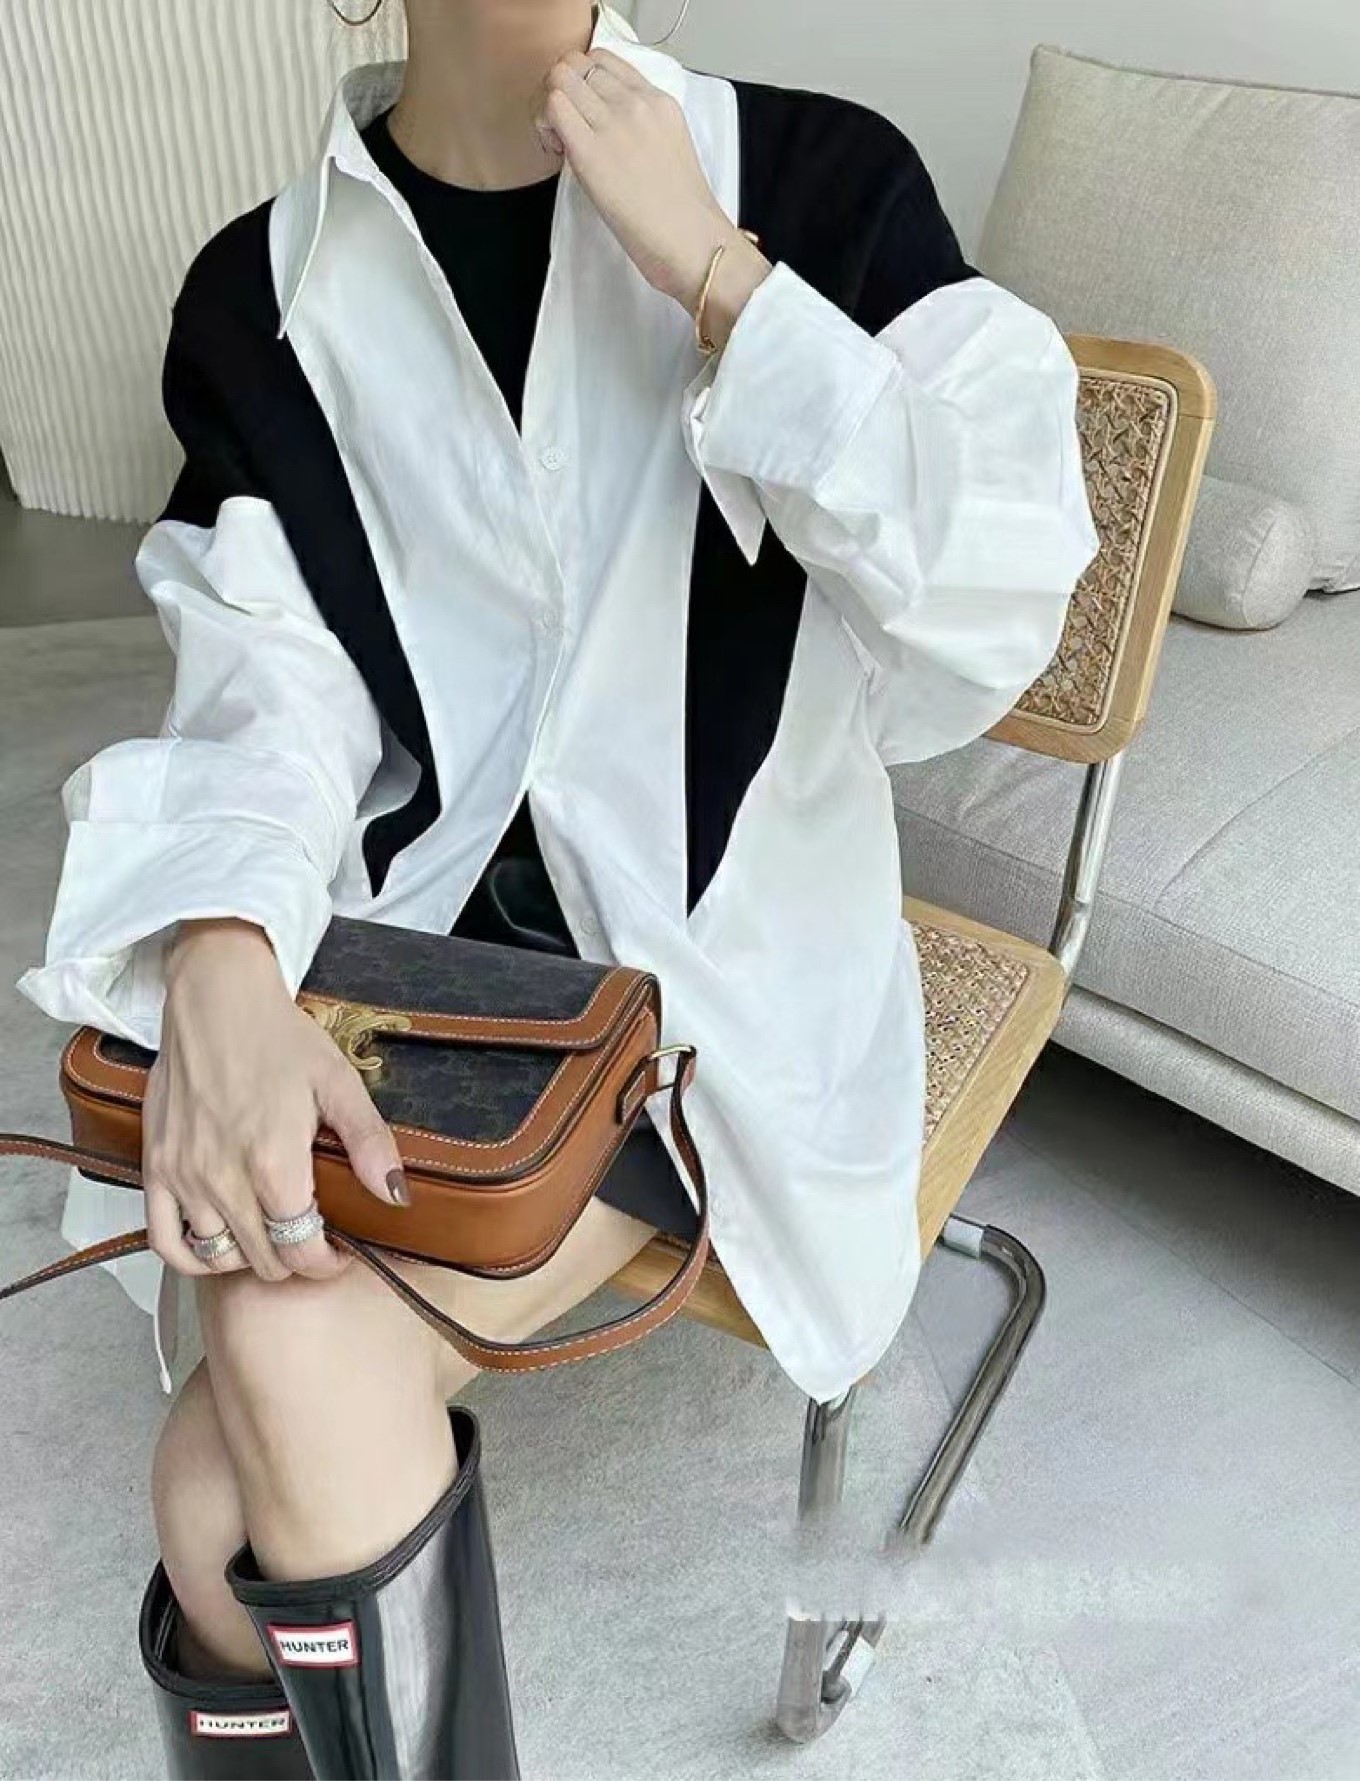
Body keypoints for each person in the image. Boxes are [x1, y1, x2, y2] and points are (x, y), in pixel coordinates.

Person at [16, 1, 1100, 1774]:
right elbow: (270, 676)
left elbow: (1005, 591)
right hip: (416, 985)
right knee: (214, 1501)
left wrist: (725, 282)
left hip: (709, 990)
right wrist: (218, 951)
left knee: (250, 1430)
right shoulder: (264, 291)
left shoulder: (817, 179)